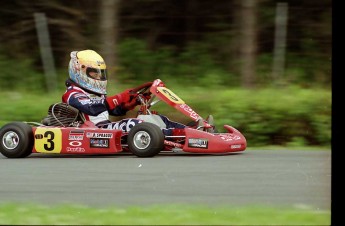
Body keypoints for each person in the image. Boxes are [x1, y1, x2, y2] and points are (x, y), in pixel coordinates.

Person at [62, 49, 188, 136]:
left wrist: (126, 105)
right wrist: (119, 98)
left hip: (105, 129)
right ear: (79, 71)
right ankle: (176, 135)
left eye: (100, 73)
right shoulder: (72, 94)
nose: (99, 77)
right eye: (94, 73)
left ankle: (191, 131)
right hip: (94, 131)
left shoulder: (94, 92)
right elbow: (91, 108)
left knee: (155, 118)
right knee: (135, 124)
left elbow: (107, 110)